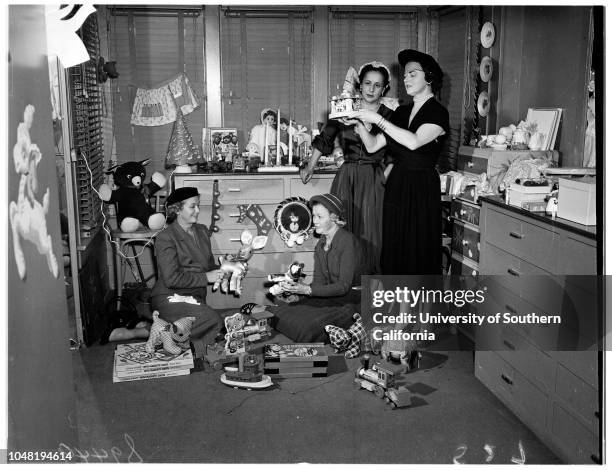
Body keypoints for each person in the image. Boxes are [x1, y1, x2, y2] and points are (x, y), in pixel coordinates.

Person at [349, 49, 449, 275]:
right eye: (404, 75)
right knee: (395, 249)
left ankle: (419, 308)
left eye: (413, 74)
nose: (406, 79)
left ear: (429, 77)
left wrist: (377, 118)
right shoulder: (402, 112)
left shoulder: (438, 113)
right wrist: (359, 122)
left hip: (421, 189)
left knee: (418, 250)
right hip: (397, 185)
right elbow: (374, 145)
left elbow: (414, 142)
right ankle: (396, 308)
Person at [301, 61, 396, 274]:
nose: (371, 89)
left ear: (384, 89)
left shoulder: (390, 116)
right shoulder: (345, 108)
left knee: (372, 235)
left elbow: (395, 154)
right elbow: (325, 139)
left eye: (378, 85)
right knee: (342, 232)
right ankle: (342, 286)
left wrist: (383, 179)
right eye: (367, 83)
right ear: (360, 85)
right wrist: (310, 166)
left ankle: (369, 290)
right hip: (347, 177)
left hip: (374, 178)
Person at [270, 194, 365, 343]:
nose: (314, 221)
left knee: (304, 329)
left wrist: (306, 290)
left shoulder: (347, 241)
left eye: (319, 217)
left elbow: (343, 287)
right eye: (313, 216)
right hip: (328, 299)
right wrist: (296, 293)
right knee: (277, 311)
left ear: (334, 218)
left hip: (351, 302)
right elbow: (318, 283)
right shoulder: (321, 244)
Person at [151, 187, 226, 353]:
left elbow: (209, 266)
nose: (198, 211)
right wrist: (207, 277)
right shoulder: (165, 237)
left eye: (198, 205)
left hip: (195, 298)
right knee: (213, 320)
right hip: (169, 296)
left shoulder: (202, 231)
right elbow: (172, 279)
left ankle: (158, 329)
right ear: (177, 209)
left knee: (212, 320)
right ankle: (165, 331)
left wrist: (227, 267)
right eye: (193, 206)